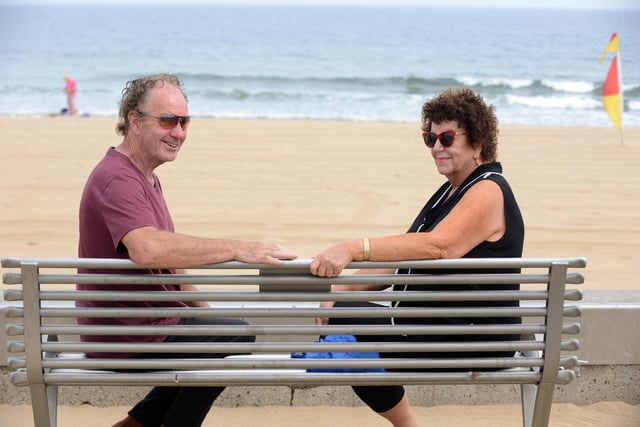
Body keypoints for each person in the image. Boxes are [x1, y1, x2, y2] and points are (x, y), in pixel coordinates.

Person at [76, 73, 297, 427]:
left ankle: (136, 425)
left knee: (226, 333)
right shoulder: (118, 179)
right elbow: (148, 250)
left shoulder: (144, 176)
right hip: (128, 333)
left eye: (184, 122)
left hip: (136, 324)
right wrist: (238, 249)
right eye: (167, 120)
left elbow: (169, 265)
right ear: (134, 121)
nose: (178, 132)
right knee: (237, 333)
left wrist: (204, 313)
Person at [310, 87, 525, 427]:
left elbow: (439, 247)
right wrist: (341, 292)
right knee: (341, 317)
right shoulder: (452, 190)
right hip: (432, 327)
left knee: (345, 329)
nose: (437, 147)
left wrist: (353, 248)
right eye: (430, 138)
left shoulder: (488, 189)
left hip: (469, 339)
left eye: (448, 137)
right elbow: (405, 259)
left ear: (478, 141)